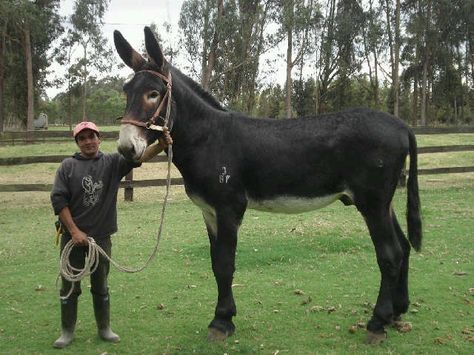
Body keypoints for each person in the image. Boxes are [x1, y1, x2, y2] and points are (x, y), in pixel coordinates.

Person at [50, 121, 142, 348]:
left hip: (101, 239)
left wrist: (162, 143)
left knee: (101, 285)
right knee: (70, 286)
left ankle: (104, 328)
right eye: (83, 138)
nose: (88, 142)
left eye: (92, 137)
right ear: (77, 142)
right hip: (72, 239)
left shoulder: (112, 163)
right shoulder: (67, 166)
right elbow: (58, 199)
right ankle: (67, 331)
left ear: (99, 139)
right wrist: (74, 231)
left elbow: (139, 157)